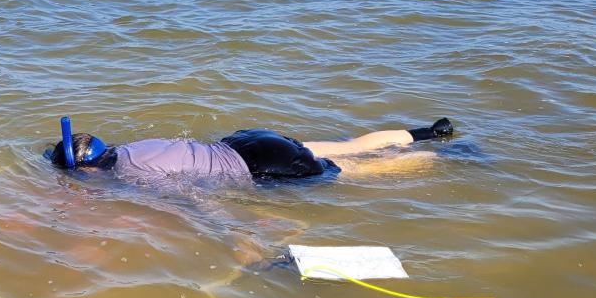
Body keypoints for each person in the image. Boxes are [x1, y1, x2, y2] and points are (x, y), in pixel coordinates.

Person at [47, 116, 454, 182]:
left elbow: (193, 201)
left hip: (262, 166)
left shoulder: (128, 175)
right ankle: (426, 134)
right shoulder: (132, 147)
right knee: (350, 147)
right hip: (248, 140)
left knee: (354, 174)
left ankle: (438, 158)